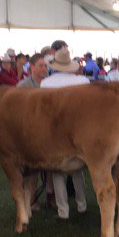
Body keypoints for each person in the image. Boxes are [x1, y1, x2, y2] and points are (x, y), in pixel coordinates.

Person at [40, 44, 88, 219]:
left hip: (54, 131)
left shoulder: (45, 84)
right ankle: (82, 205)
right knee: (78, 169)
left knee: (57, 171)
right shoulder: (83, 82)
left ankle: (63, 211)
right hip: (78, 130)